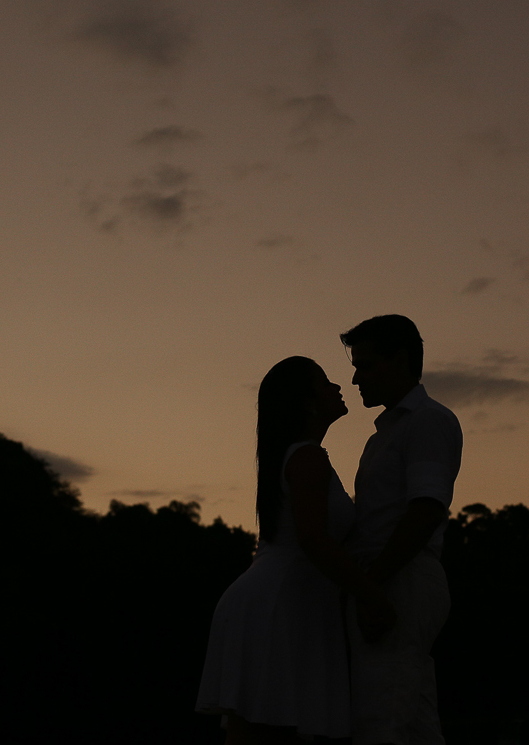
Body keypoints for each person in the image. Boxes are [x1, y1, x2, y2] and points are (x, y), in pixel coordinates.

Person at [196, 356, 395, 744]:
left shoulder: (299, 457)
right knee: (268, 730)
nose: (337, 387)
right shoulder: (306, 458)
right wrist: (372, 595)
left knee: (262, 730)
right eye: (324, 383)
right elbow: (313, 539)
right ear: (306, 402)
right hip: (280, 605)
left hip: (281, 602)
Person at [339, 315, 462, 745]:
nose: (355, 379)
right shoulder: (387, 432)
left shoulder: (426, 421)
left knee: (382, 716)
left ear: (401, 361)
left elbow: (427, 508)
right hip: (390, 575)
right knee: (411, 717)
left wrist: (372, 585)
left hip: (398, 576)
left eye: (366, 366)